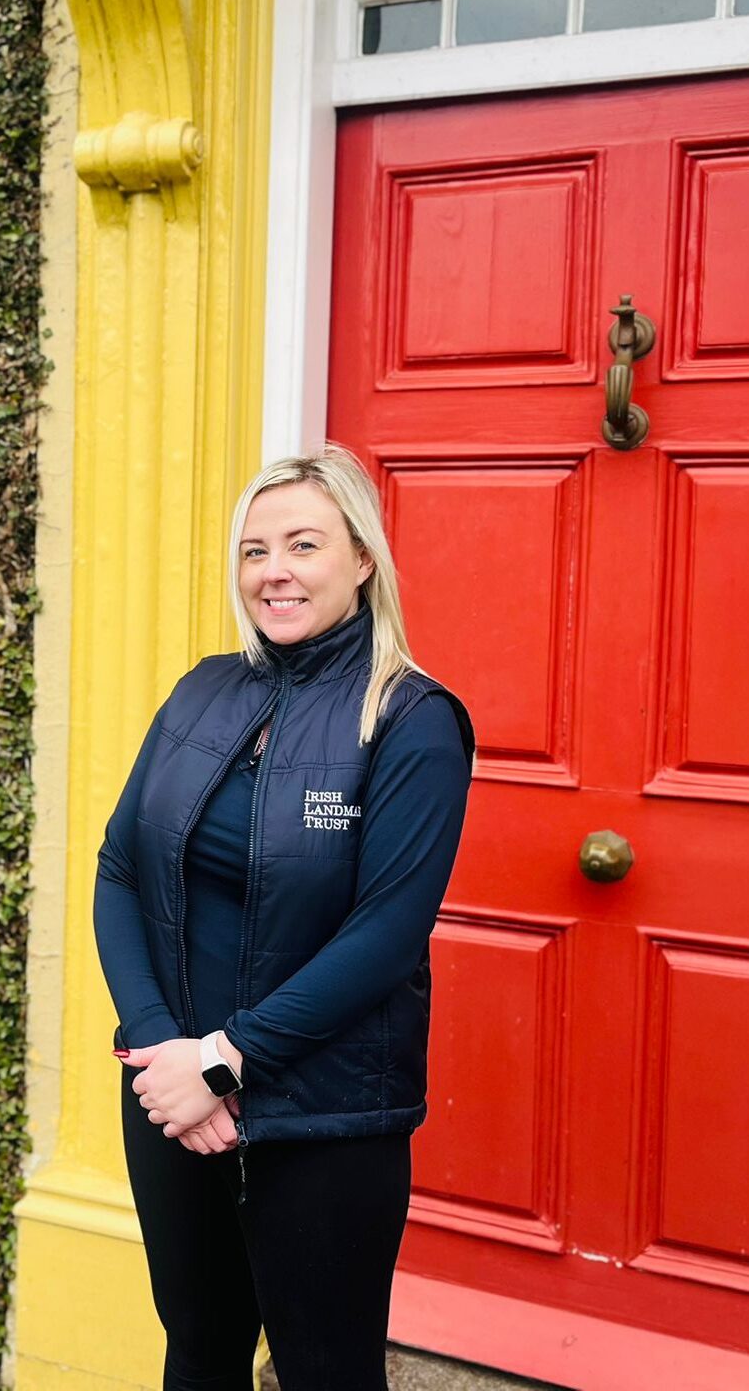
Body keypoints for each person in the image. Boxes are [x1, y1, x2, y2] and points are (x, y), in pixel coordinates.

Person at [93, 444, 476, 1391]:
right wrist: (158, 1052)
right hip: (172, 1101)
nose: (274, 571)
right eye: (254, 550)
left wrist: (226, 1059)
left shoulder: (411, 719)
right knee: (200, 1352)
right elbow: (117, 872)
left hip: (324, 1118)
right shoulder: (203, 688)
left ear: (361, 559)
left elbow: (385, 938)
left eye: (302, 544)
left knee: (326, 1371)